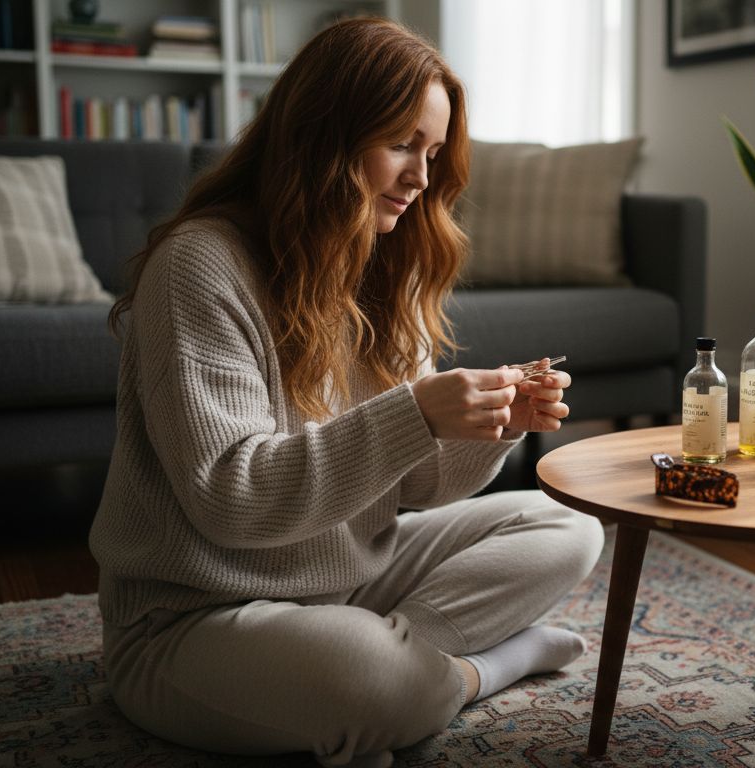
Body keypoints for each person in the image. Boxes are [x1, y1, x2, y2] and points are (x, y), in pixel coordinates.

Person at [88, 17, 604, 766]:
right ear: (325, 135)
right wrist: (416, 412)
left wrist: (493, 424)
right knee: (373, 679)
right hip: (191, 617)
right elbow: (231, 498)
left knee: (569, 525)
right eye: (402, 145)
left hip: (343, 580)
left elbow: (419, 488)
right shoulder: (198, 266)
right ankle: (472, 670)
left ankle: (387, 670)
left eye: (431, 153)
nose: (422, 178)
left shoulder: (378, 267)